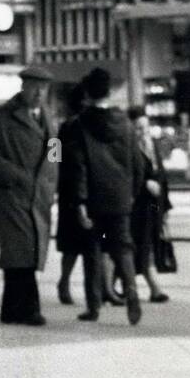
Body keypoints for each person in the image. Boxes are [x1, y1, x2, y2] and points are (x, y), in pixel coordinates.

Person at [0, 65, 58, 326]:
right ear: (23, 87)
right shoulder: (1, 116)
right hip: (12, 194)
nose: (38, 93)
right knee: (21, 250)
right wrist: (16, 176)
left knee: (26, 251)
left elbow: (55, 151)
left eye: (43, 88)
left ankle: (12, 309)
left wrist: (51, 180)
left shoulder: (48, 116)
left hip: (39, 194)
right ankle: (27, 309)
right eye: (34, 87)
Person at [64, 67, 146, 326]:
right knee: (123, 249)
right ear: (109, 92)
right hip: (121, 198)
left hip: (93, 200)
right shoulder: (125, 124)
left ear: (87, 93)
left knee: (93, 252)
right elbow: (138, 163)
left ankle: (94, 306)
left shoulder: (80, 124)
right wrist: (131, 193)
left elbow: (79, 166)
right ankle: (132, 292)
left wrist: (79, 202)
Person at [128, 107, 171, 304]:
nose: (143, 131)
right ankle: (154, 288)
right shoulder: (128, 147)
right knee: (143, 246)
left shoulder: (152, 144)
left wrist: (166, 206)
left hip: (154, 205)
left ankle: (113, 287)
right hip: (138, 204)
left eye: (145, 126)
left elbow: (162, 175)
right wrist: (145, 184)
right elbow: (125, 175)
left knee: (147, 244)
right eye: (138, 127)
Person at [55, 81, 89, 307]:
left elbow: (52, 156)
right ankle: (65, 282)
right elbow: (53, 156)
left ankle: (66, 282)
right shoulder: (71, 127)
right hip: (72, 189)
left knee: (77, 244)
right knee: (74, 243)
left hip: (71, 188)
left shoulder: (63, 127)